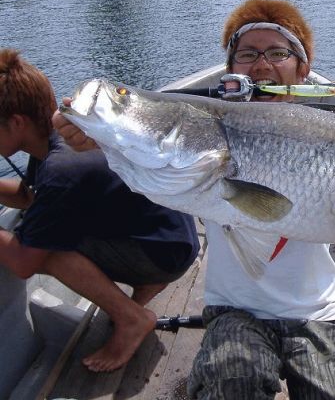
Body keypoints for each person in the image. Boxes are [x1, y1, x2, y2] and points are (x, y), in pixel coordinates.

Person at [53, 0, 335, 399]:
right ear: (231, 71)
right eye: (247, 54)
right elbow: (135, 146)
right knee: (228, 383)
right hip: (235, 313)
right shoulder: (208, 133)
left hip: (321, 313)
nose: (262, 65)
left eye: (278, 53)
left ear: (302, 70)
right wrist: (85, 134)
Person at [0, 48, 200, 373]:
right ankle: (145, 286)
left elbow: (23, 264)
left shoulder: (60, 167)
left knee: (43, 248)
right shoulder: (58, 142)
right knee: (44, 223)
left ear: (16, 122)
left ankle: (131, 319)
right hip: (175, 241)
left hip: (161, 254)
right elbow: (29, 196)